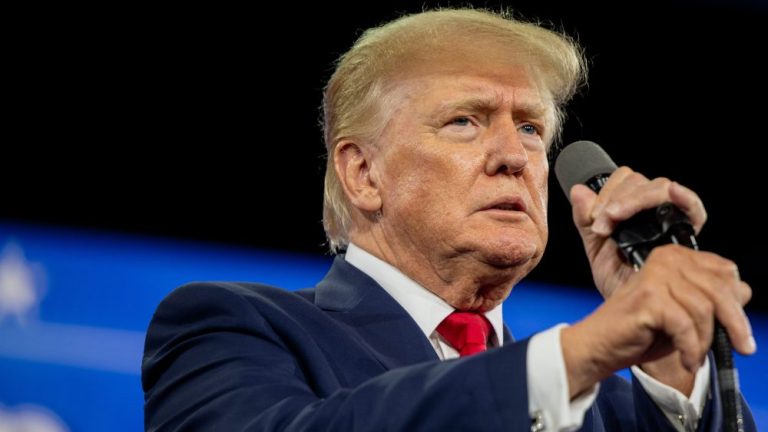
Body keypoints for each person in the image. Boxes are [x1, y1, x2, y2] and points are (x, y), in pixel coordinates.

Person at [142, 8, 757, 431]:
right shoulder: (234, 327)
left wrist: (673, 360)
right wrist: (577, 355)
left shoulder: (615, 406)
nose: (515, 156)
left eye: (530, 128)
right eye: (465, 120)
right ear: (363, 173)